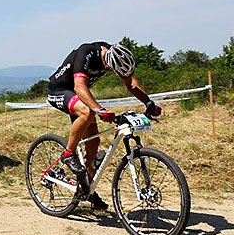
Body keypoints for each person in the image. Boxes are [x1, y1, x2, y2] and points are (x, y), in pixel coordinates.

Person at [46, 42, 162, 211]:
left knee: (93, 144)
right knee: (87, 112)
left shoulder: (116, 56)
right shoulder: (87, 53)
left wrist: (149, 103)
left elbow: (131, 84)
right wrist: (99, 109)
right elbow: (79, 86)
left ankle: (87, 190)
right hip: (59, 90)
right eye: (111, 70)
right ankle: (68, 153)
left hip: (78, 95)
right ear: (108, 64)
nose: (111, 73)